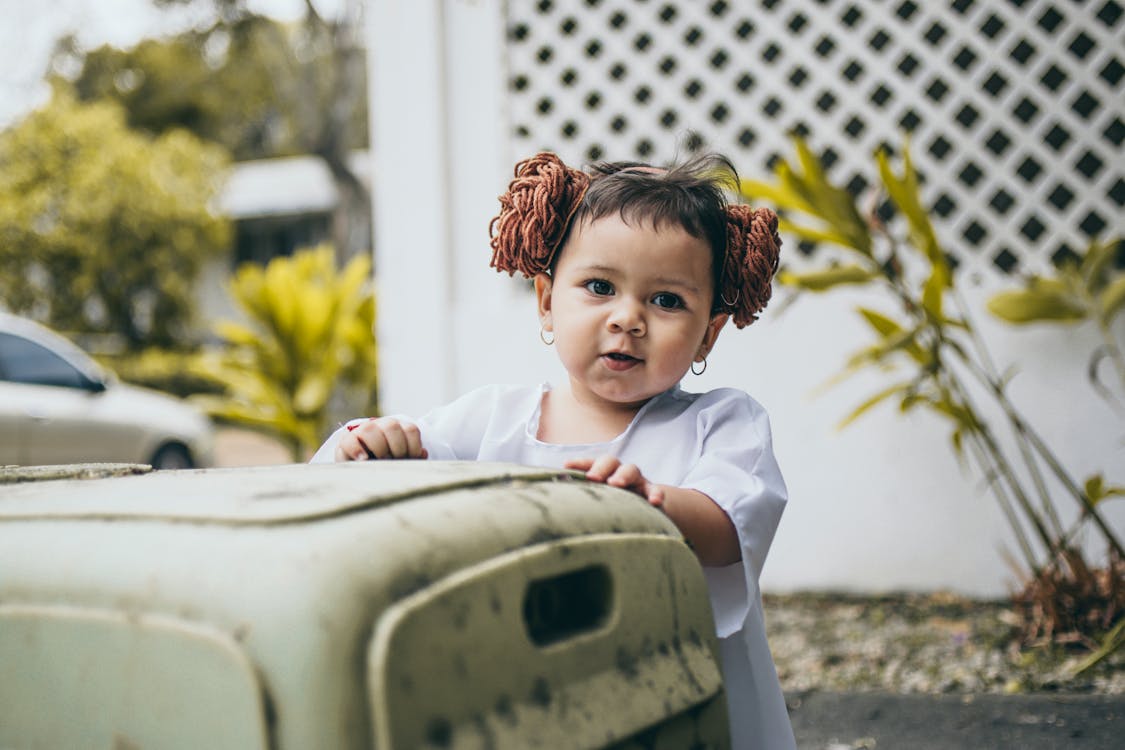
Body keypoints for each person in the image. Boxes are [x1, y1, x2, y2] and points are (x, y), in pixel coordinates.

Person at [311, 151, 795, 749]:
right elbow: (408, 464)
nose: (628, 318)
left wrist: (653, 504)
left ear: (708, 332)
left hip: (685, 700)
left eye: (667, 300)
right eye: (599, 287)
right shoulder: (492, 421)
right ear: (546, 299)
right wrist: (376, 445)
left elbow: (731, 523)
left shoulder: (719, 422)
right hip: (537, 691)